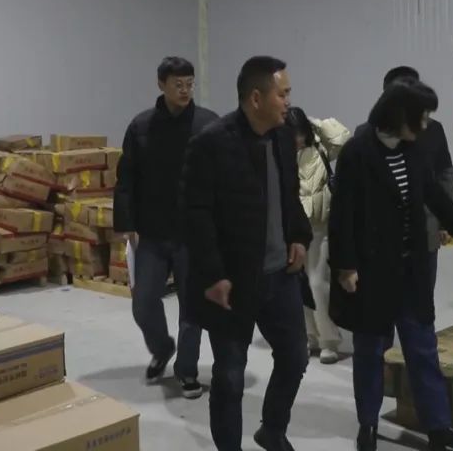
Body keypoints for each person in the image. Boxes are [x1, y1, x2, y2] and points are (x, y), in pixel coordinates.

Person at [329, 78, 453, 451]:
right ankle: (368, 424)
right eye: (422, 116)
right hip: (373, 272)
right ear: (400, 115)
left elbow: (432, 192)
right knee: (371, 351)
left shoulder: (415, 149)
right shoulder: (357, 152)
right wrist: (345, 267)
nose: (426, 123)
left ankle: (438, 427)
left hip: (413, 268)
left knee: (422, 348)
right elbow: (343, 215)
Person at [181, 56, 314, 451]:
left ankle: (272, 430)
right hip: (232, 282)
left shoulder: (283, 137)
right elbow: (194, 215)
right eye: (282, 94)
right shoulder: (211, 143)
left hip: (280, 275)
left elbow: (291, 195)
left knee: (295, 357)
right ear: (256, 98)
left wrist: (298, 236)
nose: (288, 102)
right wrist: (213, 274)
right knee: (230, 377)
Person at [114, 56, 218, 399]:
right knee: (143, 302)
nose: (185, 90)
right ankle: (162, 348)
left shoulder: (208, 124)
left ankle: (187, 370)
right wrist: (126, 222)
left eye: (190, 84)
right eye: (178, 84)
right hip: (153, 233)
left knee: (192, 307)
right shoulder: (141, 126)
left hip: (193, 234)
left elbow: (224, 177)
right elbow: (126, 177)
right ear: (162, 85)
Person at [357, 66, 453, 292]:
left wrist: (445, 222)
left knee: (422, 295)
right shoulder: (363, 137)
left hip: (425, 231)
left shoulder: (433, 130)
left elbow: (444, 175)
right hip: (381, 240)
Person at [285, 107, 350, 365]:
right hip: (292, 228)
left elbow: (343, 138)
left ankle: (329, 340)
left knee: (317, 284)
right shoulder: (281, 153)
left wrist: (316, 123)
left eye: (300, 133)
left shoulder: (321, 148)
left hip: (320, 226)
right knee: (296, 286)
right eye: (293, 134)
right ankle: (308, 336)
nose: (297, 139)